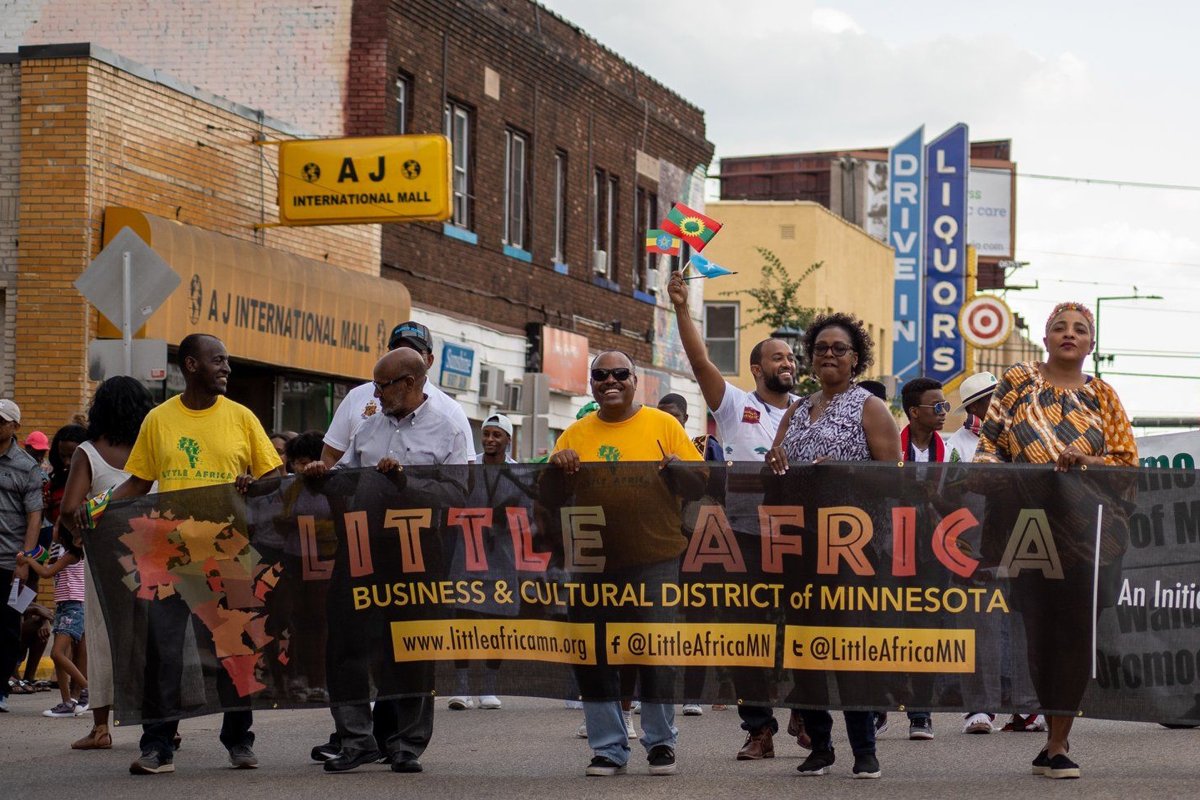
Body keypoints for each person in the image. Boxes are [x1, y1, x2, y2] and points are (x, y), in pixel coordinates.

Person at [973, 302, 1137, 780]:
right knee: (1040, 633)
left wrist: (1089, 464)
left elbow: (1127, 463)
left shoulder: (1103, 395)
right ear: (1045, 339)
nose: (1069, 334)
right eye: (1059, 327)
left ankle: (1058, 741)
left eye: (1080, 329)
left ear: (1090, 344)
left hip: (1093, 535)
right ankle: (1050, 733)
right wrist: (996, 480)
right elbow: (989, 448)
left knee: (1075, 635)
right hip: (1028, 530)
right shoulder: (1018, 381)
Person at [110, 334, 284, 775]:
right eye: (217, 361)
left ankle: (239, 740)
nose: (226, 369)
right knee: (163, 651)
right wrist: (97, 510)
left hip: (229, 550)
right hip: (168, 551)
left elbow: (274, 476)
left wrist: (252, 484)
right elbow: (138, 483)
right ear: (191, 365)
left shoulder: (242, 418)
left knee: (236, 648)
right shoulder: (159, 419)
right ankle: (158, 747)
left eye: (227, 361)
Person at [303, 347, 468, 774]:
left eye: (383, 385)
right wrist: (323, 480)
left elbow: (458, 494)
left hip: (417, 553)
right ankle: (356, 740)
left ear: (409, 384)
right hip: (362, 549)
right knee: (347, 643)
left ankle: (405, 744)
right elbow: (350, 484)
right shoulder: (369, 426)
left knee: (412, 646)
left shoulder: (448, 425)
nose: (374, 393)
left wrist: (404, 482)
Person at [667, 269, 802, 759]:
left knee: (802, 627)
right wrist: (683, 308)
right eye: (777, 357)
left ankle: (805, 714)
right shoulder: (733, 404)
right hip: (744, 534)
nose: (787, 363)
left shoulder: (808, 411)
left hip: (799, 535)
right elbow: (700, 359)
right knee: (747, 634)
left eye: (791, 357)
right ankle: (759, 729)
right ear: (756, 367)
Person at [550, 350, 704, 777]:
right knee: (594, 653)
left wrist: (675, 467)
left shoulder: (664, 425)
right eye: (601, 375)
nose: (610, 381)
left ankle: (660, 743)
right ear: (591, 383)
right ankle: (608, 747)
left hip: (655, 557)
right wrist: (556, 467)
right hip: (592, 562)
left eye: (620, 374)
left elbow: (701, 480)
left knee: (655, 651)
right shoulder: (574, 434)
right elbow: (547, 497)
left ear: (636, 381)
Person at [766, 312, 902, 779]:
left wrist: (845, 476)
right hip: (801, 548)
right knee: (805, 649)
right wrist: (776, 457)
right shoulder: (798, 409)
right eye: (821, 348)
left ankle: (864, 749)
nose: (828, 355)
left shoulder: (870, 407)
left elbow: (893, 480)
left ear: (856, 358)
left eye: (839, 349)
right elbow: (777, 468)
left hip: (850, 551)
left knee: (850, 650)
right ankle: (820, 745)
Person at [58, 376, 155, 750]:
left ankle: (101, 728)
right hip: (151, 554)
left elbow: (69, 508)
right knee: (151, 638)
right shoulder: (152, 449)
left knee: (103, 638)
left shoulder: (88, 451)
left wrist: (80, 534)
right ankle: (163, 724)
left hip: (104, 561)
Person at [321, 321, 475, 467]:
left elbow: (460, 484)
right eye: (396, 350)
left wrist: (405, 482)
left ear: (429, 360)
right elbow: (335, 459)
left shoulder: (451, 416)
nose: (377, 394)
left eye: (413, 351)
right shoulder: (362, 411)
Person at [944, 371, 1003, 735]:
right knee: (977, 628)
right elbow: (948, 500)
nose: (998, 405)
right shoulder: (958, 445)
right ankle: (977, 709)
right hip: (974, 549)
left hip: (1018, 545)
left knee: (1019, 628)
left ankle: (1025, 707)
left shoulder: (1021, 440)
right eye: (991, 399)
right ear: (975, 406)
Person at [446, 412, 516, 711]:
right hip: (467, 555)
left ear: (508, 440)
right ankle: (461, 689)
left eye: (496, 435)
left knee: (497, 624)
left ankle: (489, 688)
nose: (489, 439)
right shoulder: (468, 466)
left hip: (502, 556)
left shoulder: (519, 472)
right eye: (486, 434)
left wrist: (510, 517)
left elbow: (529, 515)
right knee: (463, 619)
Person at [0, 399, 45, 714]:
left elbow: (34, 517)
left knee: (7, 627)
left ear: (15, 426)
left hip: (10, 562)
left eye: (2, 421)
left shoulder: (26, 466)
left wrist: (25, 562)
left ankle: (1, 686)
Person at [18, 536, 88, 718]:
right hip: (64, 606)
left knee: (57, 653)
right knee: (58, 657)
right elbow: (48, 564)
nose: (53, 529)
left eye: (57, 524)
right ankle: (67, 703)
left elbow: (47, 573)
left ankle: (88, 690)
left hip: (74, 606)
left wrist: (28, 560)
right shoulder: (60, 549)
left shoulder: (72, 553)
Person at [946, 372, 997, 465]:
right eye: (993, 398)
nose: (999, 403)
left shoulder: (1009, 434)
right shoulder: (954, 447)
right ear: (973, 406)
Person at [657, 393, 723, 463]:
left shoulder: (707, 447)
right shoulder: (654, 448)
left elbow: (721, 473)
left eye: (673, 416)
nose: (668, 420)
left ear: (685, 418)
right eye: (662, 417)